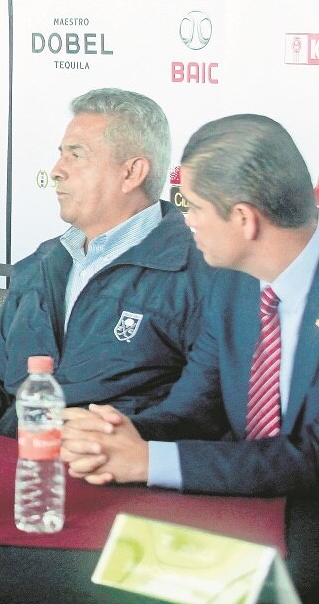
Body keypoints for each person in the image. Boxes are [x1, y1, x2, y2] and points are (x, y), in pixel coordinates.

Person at [0, 89, 216, 436]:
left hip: (111, 468)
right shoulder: (40, 265)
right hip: (19, 461)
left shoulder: (203, 276)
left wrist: (114, 439)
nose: (56, 171)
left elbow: (203, 419)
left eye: (76, 156)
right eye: (61, 155)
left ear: (132, 173)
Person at [61, 114, 319, 497]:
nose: (188, 222)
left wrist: (148, 461)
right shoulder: (232, 283)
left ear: (244, 219)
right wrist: (117, 437)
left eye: (195, 207)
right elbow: (194, 410)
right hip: (239, 506)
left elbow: (311, 457)